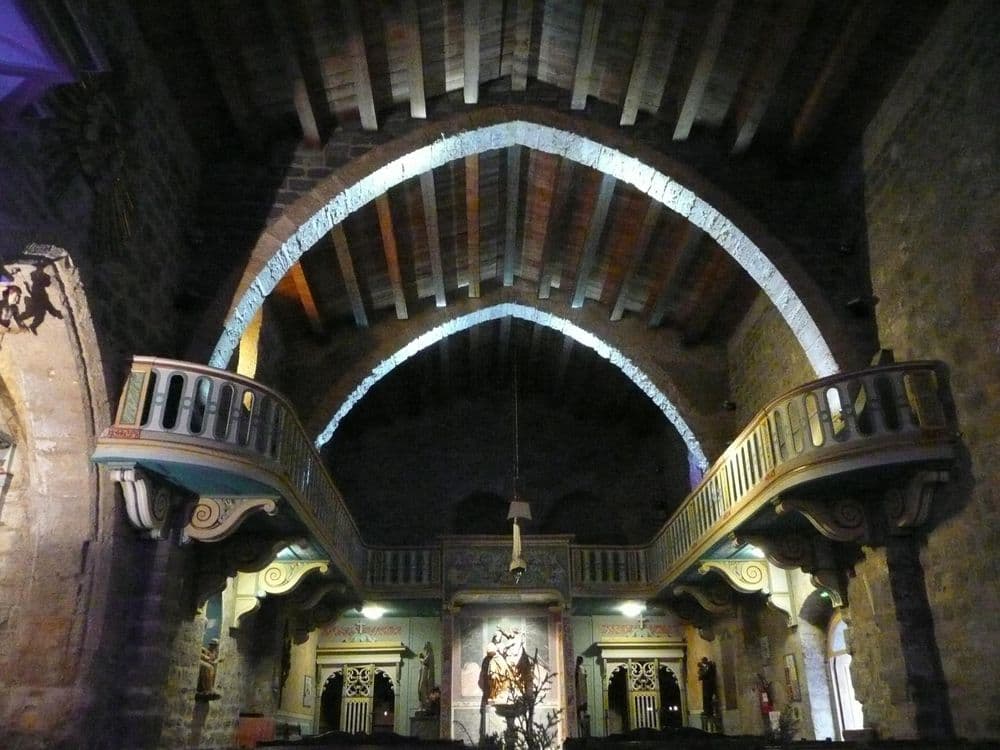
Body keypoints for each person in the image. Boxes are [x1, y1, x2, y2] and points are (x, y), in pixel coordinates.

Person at [418, 643, 435, 709]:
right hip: (425, 675)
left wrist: (421, 658)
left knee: (423, 688)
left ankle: (425, 704)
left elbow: (425, 661)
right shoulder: (428, 655)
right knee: (421, 689)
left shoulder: (430, 654)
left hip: (427, 676)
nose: (425, 650)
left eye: (425, 649)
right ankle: (423, 704)